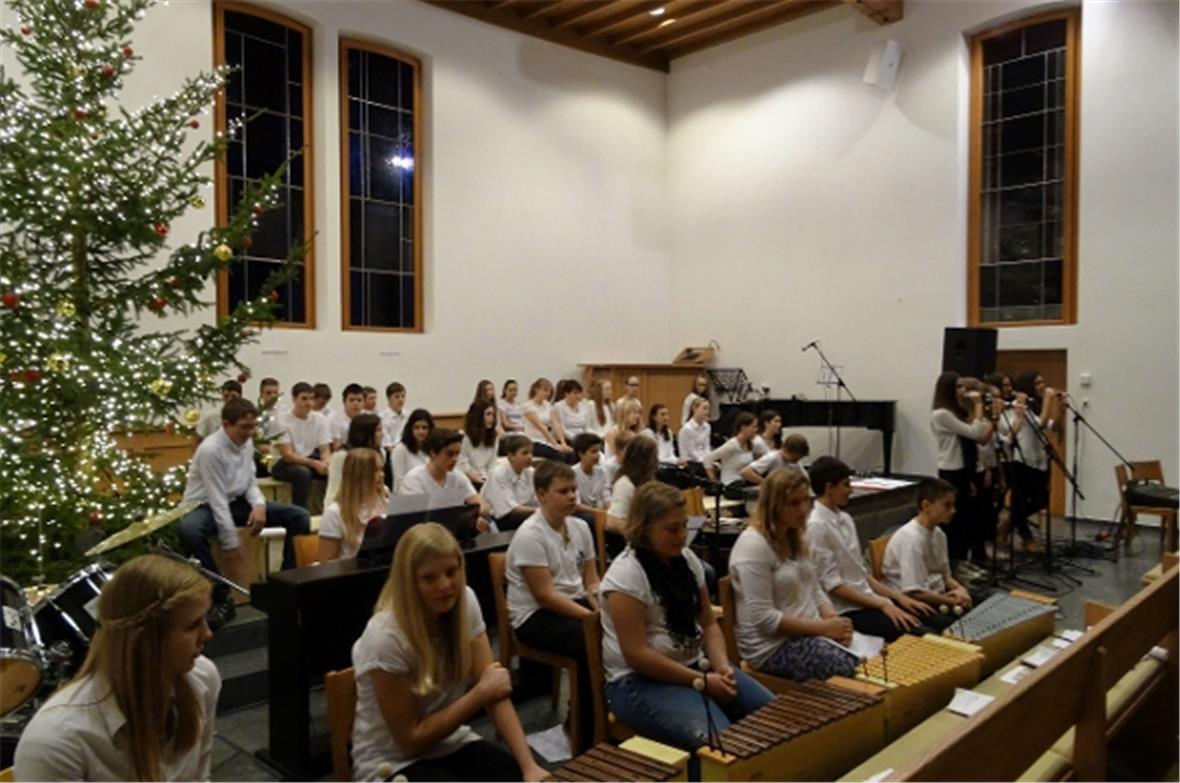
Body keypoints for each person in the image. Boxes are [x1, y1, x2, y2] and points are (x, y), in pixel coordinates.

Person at [349, 523, 546, 782]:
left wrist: (529, 767)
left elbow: (494, 692)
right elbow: (410, 741)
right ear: (408, 582)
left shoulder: (465, 602)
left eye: (451, 572)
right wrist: (479, 694)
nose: (445, 585)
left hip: (449, 741)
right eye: (429, 578)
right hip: (390, 761)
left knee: (515, 775)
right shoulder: (385, 637)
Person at [601, 482, 774, 754]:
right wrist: (701, 681)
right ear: (644, 529)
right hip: (638, 683)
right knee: (720, 748)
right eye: (672, 529)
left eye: (685, 525)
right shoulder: (626, 576)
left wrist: (722, 667)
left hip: (695, 667)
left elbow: (708, 623)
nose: (683, 535)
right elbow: (637, 655)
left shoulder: (687, 559)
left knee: (775, 718)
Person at [13, 555, 219, 782]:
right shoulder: (55, 741)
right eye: (192, 626)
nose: (207, 634)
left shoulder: (202, 677)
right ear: (144, 640)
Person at [178, 398, 310, 628]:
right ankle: (220, 597)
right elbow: (217, 498)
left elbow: (249, 482)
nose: (250, 433)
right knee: (189, 531)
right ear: (226, 425)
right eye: (244, 427)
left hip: (236, 501)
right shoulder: (210, 450)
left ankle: (284, 585)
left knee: (299, 517)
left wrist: (259, 505)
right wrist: (231, 544)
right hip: (204, 505)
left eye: (253, 426)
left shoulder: (246, 444)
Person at [505, 461, 600, 753]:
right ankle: (581, 729)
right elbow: (544, 595)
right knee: (589, 641)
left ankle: (606, 717)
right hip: (533, 615)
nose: (572, 496)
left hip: (571, 603)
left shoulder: (580, 526)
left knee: (617, 630)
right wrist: (589, 617)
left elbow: (591, 579)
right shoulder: (530, 534)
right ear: (542, 494)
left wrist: (600, 605)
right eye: (563, 491)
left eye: (573, 490)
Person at [728, 468, 858, 681]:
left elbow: (814, 588)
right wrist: (823, 628)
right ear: (774, 506)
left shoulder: (796, 536)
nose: (804, 509)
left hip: (808, 632)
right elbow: (764, 619)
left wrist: (833, 620)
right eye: (794, 503)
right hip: (771, 647)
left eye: (806, 501)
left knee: (872, 658)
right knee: (851, 669)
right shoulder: (753, 546)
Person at [806, 456, 934, 642]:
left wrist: (898, 598)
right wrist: (882, 604)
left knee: (935, 620)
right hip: (847, 610)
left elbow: (862, 573)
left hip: (868, 600)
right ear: (829, 488)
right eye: (846, 485)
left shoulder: (845, 519)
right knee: (924, 636)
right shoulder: (816, 526)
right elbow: (834, 587)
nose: (851, 490)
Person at [881, 477, 975, 630]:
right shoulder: (911, 539)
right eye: (947, 505)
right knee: (960, 628)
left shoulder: (939, 534)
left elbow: (945, 576)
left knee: (985, 601)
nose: (953, 510)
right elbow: (914, 593)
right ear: (926, 505)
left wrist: (960, 590)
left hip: (937, 595)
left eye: (953, 505)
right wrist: (953, 601)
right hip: (913, 602)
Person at [930, 371, 994, 571]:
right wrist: (978, 406)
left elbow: (974, 439)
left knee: (969, 518)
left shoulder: (956, 411)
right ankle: (954, 563)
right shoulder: (941, 414)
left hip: (964, 469)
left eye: (963, 386)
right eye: (958, 387)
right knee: (955, 521)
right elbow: (974, 433)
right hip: (951, 470)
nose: (963, 390)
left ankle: (967, 560)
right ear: (948, 390)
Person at [998, 371, 1061, 554]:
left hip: (1039, 459)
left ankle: (1008, 525)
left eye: (1043, 382)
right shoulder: (1020, 406)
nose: (1042, 386)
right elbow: (1039, 424)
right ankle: (1026, 537)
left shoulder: (1036, 405)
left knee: (1042, 499)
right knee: (1020, 500)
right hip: (1022, 459)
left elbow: (1052, 427)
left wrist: (1060, 409)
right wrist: (1048, 399)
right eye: (1038, 383)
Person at [400, 429, 491, 522]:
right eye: (449, 454)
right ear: (433, 453)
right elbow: (417, 518)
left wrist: (477, 516)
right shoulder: (414, 479)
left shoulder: (458, 476)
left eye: (457, 454)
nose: (455, 459)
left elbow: (481, 505)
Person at [271, 381, 332, 512]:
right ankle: (300, 513)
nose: (309, 403)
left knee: (335, 470)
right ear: (294, 399)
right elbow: (287, 455)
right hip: (283, 464)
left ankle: (330, 512)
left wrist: (326, 463)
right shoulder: (281, 420)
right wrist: (315, 464)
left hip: (308, 459)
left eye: (311, 398)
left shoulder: (319, 419)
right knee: (302, 473)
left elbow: (325, 449)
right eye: (304, 399)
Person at [319, 448, 389, 562]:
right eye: (375, 471)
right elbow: (326, 563)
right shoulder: (334, 513)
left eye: (381, 469)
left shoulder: (386, 501)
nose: (381, 475)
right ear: (359, 476)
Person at [605, 436, 659, 560]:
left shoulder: (647, 481)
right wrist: (644, 533)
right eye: (654, 457)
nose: (657, 462)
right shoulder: (625, 485)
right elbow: (613, 523)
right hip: (629, 547)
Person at [324, 413, 384, 508]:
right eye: (378, 430)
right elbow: (335, 488)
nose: (382, 434)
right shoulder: (342, 455)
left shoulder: (380, 453)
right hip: (344, 505)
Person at [480, 435, 538, 531]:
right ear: (511, 456)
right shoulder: (498, 474)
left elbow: (537, 500)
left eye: (531, 453)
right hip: (500, 517)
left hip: (521, 512)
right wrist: (540, 511)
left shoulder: (531, 472)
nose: (530, 457)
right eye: (525, 453)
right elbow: (509, 509)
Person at [704, 411, 758, 489]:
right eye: (753, 427)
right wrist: (713, 480)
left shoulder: (749, 444)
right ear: (743, 427)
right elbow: (708, 459)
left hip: (743, 482)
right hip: (731, 483)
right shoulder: (732, 444)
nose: (756, 430)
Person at [522, 377, 572, 461]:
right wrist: (555, 445)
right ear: (536, 390)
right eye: (545, 390)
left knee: (571, 454)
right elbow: (542, 428)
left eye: (549, 391)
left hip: (547, 440)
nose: (547, 393)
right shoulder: (528, 406)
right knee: (559, 456)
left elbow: (556, 425)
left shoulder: (548, 405)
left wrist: (563, 443)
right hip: (534, 441)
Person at [740, 433, 810, 486]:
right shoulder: (772, 457)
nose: (795, 461)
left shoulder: (795, 462)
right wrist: (767, 484)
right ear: (785, 450)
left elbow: (806, 479)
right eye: (794, 458)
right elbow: (745, 472)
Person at [392, 408, 434, 494]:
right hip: (407, 496)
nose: (421, 431)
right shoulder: (401, 449)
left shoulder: (433, 448)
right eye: (416, 427)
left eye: (424, 428)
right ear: (410, 429)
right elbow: (399, 482)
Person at [459, 400, 499, 486]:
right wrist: (477, 479)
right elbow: (462, 464)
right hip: (467, 480)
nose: (492, 418)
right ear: (478, 416)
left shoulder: (494, 437)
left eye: (493, 415)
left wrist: (488, 480)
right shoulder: (464, 437)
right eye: (488, 414)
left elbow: (492, 463)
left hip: (485, 478)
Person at [572, 432, 611, 511]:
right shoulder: (572, 473)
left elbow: (606, 496)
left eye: (599, 451)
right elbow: (576, 504)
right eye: (593, 452)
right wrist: (597, 512)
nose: (598, 455)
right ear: (581, 454)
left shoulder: (602, 472)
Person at [677, 397, 712, 469]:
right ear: (695, 409)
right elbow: (692, 452)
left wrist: (709, 459)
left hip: (702, 461)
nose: (707, 412)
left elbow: (706, 447)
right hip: (690, 463)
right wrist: (706, 463)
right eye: (704, 408)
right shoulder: (687, 429)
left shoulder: (707, 426)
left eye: (708, 409)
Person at [329, 383, 366, 451]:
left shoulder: (369, 418)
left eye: (359, 400)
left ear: (364, 402)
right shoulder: (333, 418)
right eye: (351, 400)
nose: (355, 403)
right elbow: (337, 447)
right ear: (344, 402)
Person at [381, 381, 409, 451]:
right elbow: (387, 445)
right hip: (390, 452)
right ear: (388, 398)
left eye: (403, 396)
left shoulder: (409, 415)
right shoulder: (382, 417)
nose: (401, 399)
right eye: (397, 397)